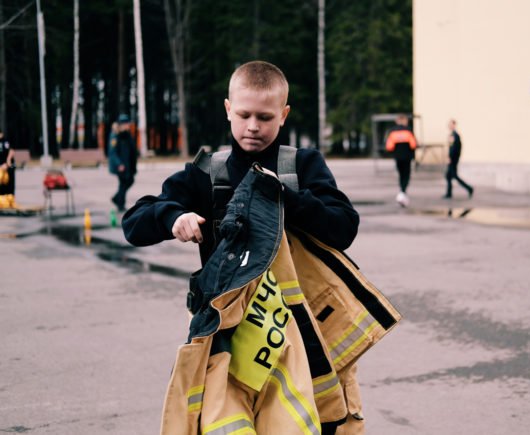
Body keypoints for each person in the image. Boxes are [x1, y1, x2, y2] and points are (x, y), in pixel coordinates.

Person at [122, 61, 363, 433]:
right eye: (244, 114)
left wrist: (285, 198)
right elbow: (134, 223)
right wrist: (173, 217)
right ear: (227, 109)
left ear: (283, 115)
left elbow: (344, 226)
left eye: (265, 117)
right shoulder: (206, 172)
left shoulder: (302, 165)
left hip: (300, 333)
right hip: (227, 336)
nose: (253, 126)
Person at [385, 114, 417, 207]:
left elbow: (389, 147)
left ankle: (402, 192)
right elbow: (413, 145)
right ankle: (403, 191)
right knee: (406, 175)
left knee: (401, 174)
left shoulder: (392, 131)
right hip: (407, 157)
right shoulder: (409, 130)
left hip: (397, 157)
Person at [108, 115, 138, 211]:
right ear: (121, 124)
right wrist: (119, 164)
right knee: (123, 183)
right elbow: (112, 152)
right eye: (126, 124)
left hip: (128, 164)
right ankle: (120, 203)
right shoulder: (115, 135)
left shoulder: (127, 134)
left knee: (128, 181)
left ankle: (117, 199)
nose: (128, 125)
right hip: (121, 165)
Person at [443, 119, 473, 199]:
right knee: (448, 176)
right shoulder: (452, 135)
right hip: (453, 159)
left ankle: (469, 188)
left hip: (453, 160)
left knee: (454, 176)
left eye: (451, 124)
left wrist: (450, 157)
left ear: (454, 125)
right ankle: (449, 193)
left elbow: (454, 148)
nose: (449, 126)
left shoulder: (455, 135)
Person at [0, 130, 16, 197]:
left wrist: (7, 162)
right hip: (1, 166)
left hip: (7, 166)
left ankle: (10, 197)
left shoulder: (6, 141)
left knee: (9, 182)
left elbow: (11, 151)